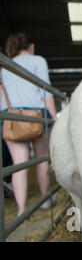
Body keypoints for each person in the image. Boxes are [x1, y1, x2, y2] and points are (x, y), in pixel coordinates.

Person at [0, 32, 57, 216]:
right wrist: (55, 118)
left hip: (12, 117)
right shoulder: (38, 60)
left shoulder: (5, 66)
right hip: (36, 116)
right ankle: (45, 200)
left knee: (19, 164)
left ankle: (21, 210)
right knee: (41, 159)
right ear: (30, 46)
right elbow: (46, 91)